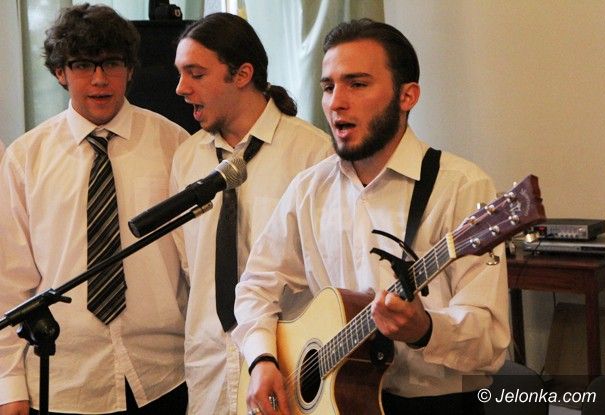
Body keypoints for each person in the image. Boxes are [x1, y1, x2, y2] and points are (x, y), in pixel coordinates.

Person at [233, 18, 510, 415]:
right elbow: (256, 286)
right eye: (328, 87)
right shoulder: (309, 189)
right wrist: (262, 359)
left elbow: (491, 341)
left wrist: (425, 330)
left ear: (407, 96)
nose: (336, 102)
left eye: (357, 84)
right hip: (334, 403)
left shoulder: (461, 186)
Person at [0, 4, 189, 414]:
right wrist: (9, 384)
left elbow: (197, 265)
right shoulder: (25, 158)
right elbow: (9, 282)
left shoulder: (175, 145)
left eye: (112, 64)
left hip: (164, 373)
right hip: (63, 378)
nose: (100, 79)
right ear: (60, 72)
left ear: (130, 70)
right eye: (83, 65)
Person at [171, 12, 333, 415]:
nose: (181, 88)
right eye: (180, 73)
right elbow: (190, 266)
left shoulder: (314, 155)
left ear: (242, 74)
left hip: (289, 367)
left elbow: (327, 274)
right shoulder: (187, 158)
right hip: (208, 369)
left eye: (196, 74)